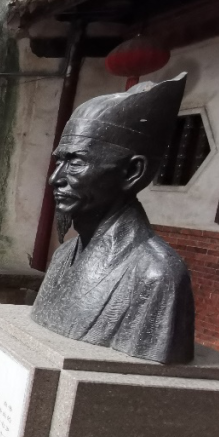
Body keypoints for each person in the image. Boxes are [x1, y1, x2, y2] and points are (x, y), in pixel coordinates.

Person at [31, 74, 195, 363]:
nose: (55, 178)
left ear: (132, 172)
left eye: (76, 162)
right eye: (60, 161)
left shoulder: (157, 275)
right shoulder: (63, 256)